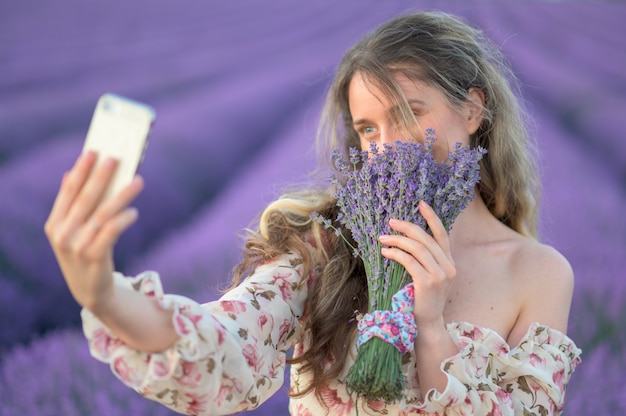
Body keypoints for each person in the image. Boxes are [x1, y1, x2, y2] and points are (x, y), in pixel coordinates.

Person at [44, 11, 581, 416]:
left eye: (409, 114)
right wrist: (104, 296)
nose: (387, 146)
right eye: (369, 130)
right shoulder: (326, 248)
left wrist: (430, 327)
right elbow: (224, 343)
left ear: (473, 108)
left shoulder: (538, 274)